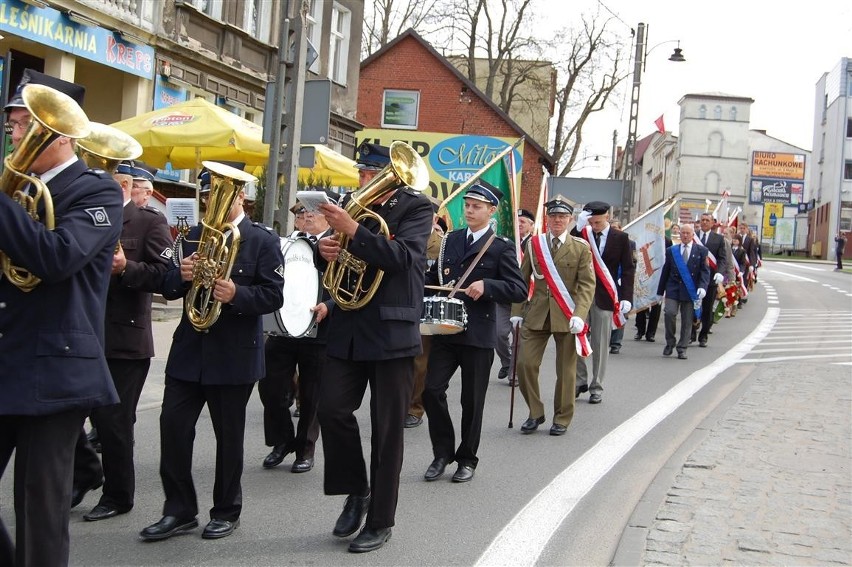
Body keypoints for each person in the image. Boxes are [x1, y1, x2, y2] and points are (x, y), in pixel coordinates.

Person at [0, 71, 123, 567]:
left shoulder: (98, 191)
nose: (12, 132)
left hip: (56, 367)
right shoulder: (15, 190)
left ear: (58, 130)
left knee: (40, 507)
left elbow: (56, 258)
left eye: (21, 121)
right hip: (7, 353)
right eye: (10, 122)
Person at [140, 163, 284, 542]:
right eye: (207, 196)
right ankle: (179, 510)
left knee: (229, 438)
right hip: (190, 351)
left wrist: (238, 294)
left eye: (219, 194)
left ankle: (226, 510)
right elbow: (167, 286)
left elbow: (274, 295)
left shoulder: (263, 239)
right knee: (172, 429)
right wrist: (180, 275)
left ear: (240, 197)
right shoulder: (190, 237)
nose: (211, 202)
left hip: (234, 354)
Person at [314, 141, 432, 553]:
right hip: (348, 326)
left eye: (370, 174)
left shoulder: (418, 207)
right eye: (362, 173)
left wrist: (352, 230)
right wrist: (323, 250)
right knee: (330, 409)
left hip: (392, 333)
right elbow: (337, 253)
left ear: (389, 174)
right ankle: (356, 490)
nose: (363, 180)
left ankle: (381, 520)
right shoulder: (354, 206)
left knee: (386, 432)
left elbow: (403, 257)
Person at [71, 160, 175, 522]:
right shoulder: (87, 218)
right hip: (84, 332)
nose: (115, 189)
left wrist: (125, 268)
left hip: (125, 338)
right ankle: (85, 471)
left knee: (114, 423)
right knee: (66, 413)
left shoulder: (150, 221)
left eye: (122, 183)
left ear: (133, 187)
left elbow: (167, 277)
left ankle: (118, 495)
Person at [421, 182, 526, 481]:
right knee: (431, 390)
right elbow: (433, 277)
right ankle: (442, 452)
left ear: (491, 211)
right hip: (446, 328)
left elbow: (518, 289)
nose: (469, 210)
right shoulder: (449, 241)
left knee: (472, 400)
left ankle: (467, 458)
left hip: (478, 334)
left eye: (477, 206)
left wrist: (488, 286)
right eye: (467, 205)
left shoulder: (501, 247)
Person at [259, 195, 335, 473]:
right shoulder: (285, 243)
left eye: (313, 213)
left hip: (320, 328)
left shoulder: (339, 243)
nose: (307, 217)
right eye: (302, 214)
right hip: (283, 328)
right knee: (269, 386)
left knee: (312, 394)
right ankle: (281, 441)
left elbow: (351, 285)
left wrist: (329, 305)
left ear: (329, 216)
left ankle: (305, 448)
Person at [513, 196, 595, 436]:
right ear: (547, 219)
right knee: (525, 364)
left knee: (566, 371)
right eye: (554, 216)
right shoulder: (535, 244)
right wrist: (516, 312)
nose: (558, 220)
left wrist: (580, 314)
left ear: (569, 220)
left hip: (567, 315)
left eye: (562, 217)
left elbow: (587, 285)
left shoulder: (580, 248)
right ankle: (535, 412)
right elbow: (521, 279)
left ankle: (562, 417)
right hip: (537, 313)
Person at [571, 201, 634, 404]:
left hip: (605, 296)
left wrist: (626, 297)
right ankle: (580, 380)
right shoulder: (583, 232)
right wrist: (578, 227)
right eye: (591, 222)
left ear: (607, 216)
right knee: (577, 337)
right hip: (581, 294)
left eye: (597, 222)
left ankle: (596, 385)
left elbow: (627, 269)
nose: (594, 226)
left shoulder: (621, 238)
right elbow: (568, 245)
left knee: (600, 342)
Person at [405, 203, 445, 428]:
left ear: (434, 218)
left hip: (427, 306)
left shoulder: (441, 244)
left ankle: (414, 408)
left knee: (420, 362)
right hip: (403, 304)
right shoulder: (403, 236)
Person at [657, 224, 710, 360]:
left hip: (690, 289)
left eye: (688, 233)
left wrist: (703, 287)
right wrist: (660, 291)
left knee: (687, 320)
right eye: (683, 233)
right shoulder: (671, 251)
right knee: (669, 313)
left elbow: (705, 271)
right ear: (679, 234)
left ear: (693, 235)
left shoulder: (701, 251)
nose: (685, 235)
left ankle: (682, 348)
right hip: (673, 288)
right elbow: (665, 271)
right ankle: (670, 342)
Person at [495, 207, 535, 382]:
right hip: (504, 296)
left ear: (532, 226)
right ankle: (507, 361)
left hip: (524, 298)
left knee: (518, 338)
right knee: (498, 334)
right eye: (516, 221)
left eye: (523, 222)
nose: (519, 224)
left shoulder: (537, 244)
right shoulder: (506, 243)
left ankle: (514, 373)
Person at [693, 213, 727, 347]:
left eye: (708, 220)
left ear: (713, 223)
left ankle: (703, 335)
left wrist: (720, 272)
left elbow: (722, 258)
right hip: (694, 278)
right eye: (703, 220)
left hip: (711, 280)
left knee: (707, 309)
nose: (705, 222)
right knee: (692, 307)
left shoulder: (718, 239)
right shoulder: (693, 235)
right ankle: (691, 332)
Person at [635, 235, 673, 342]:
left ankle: (651, 332)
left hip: (658, 276)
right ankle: (640, 330)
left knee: (656, 305)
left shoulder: (667, 241)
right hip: (644, 274)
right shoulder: (643, 237)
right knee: (641, 303)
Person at [607, 219, 636, 354]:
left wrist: (622, 279)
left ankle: (616, 343)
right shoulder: (603, 241)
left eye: (616, 228)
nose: (614, 230)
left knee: (620, 311)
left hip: (620, 283)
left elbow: (632, 264)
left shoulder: (629, 243)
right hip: (606, 282)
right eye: (612, 228)